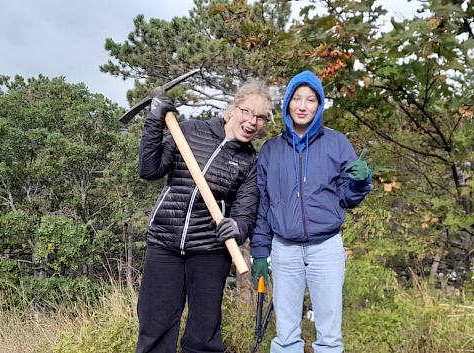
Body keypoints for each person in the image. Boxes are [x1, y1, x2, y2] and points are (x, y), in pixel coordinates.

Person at [136, 81, 273, 353]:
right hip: (165, 243)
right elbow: (149, 169)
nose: (252, 121)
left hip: (210, 251)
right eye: (247, 111)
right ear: (232, 108)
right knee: (155, 328)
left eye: (260, 117)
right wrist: (154, 121)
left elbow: (245, 212)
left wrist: (236, 226)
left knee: (204, 336)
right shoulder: (189, 131)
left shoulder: (250, 162)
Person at [251, 71, 372, 353]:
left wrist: (360, 181)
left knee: (329, 337)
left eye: (310, 99)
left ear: (319, 105)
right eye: (296, 98)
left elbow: (347, 199)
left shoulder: (337, 143)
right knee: (286, 336)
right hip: (284, 250)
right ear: (287, 104)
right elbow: (263, 205)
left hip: (326, 248)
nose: (302, 106)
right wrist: (259, 251)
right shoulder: (271, 150)